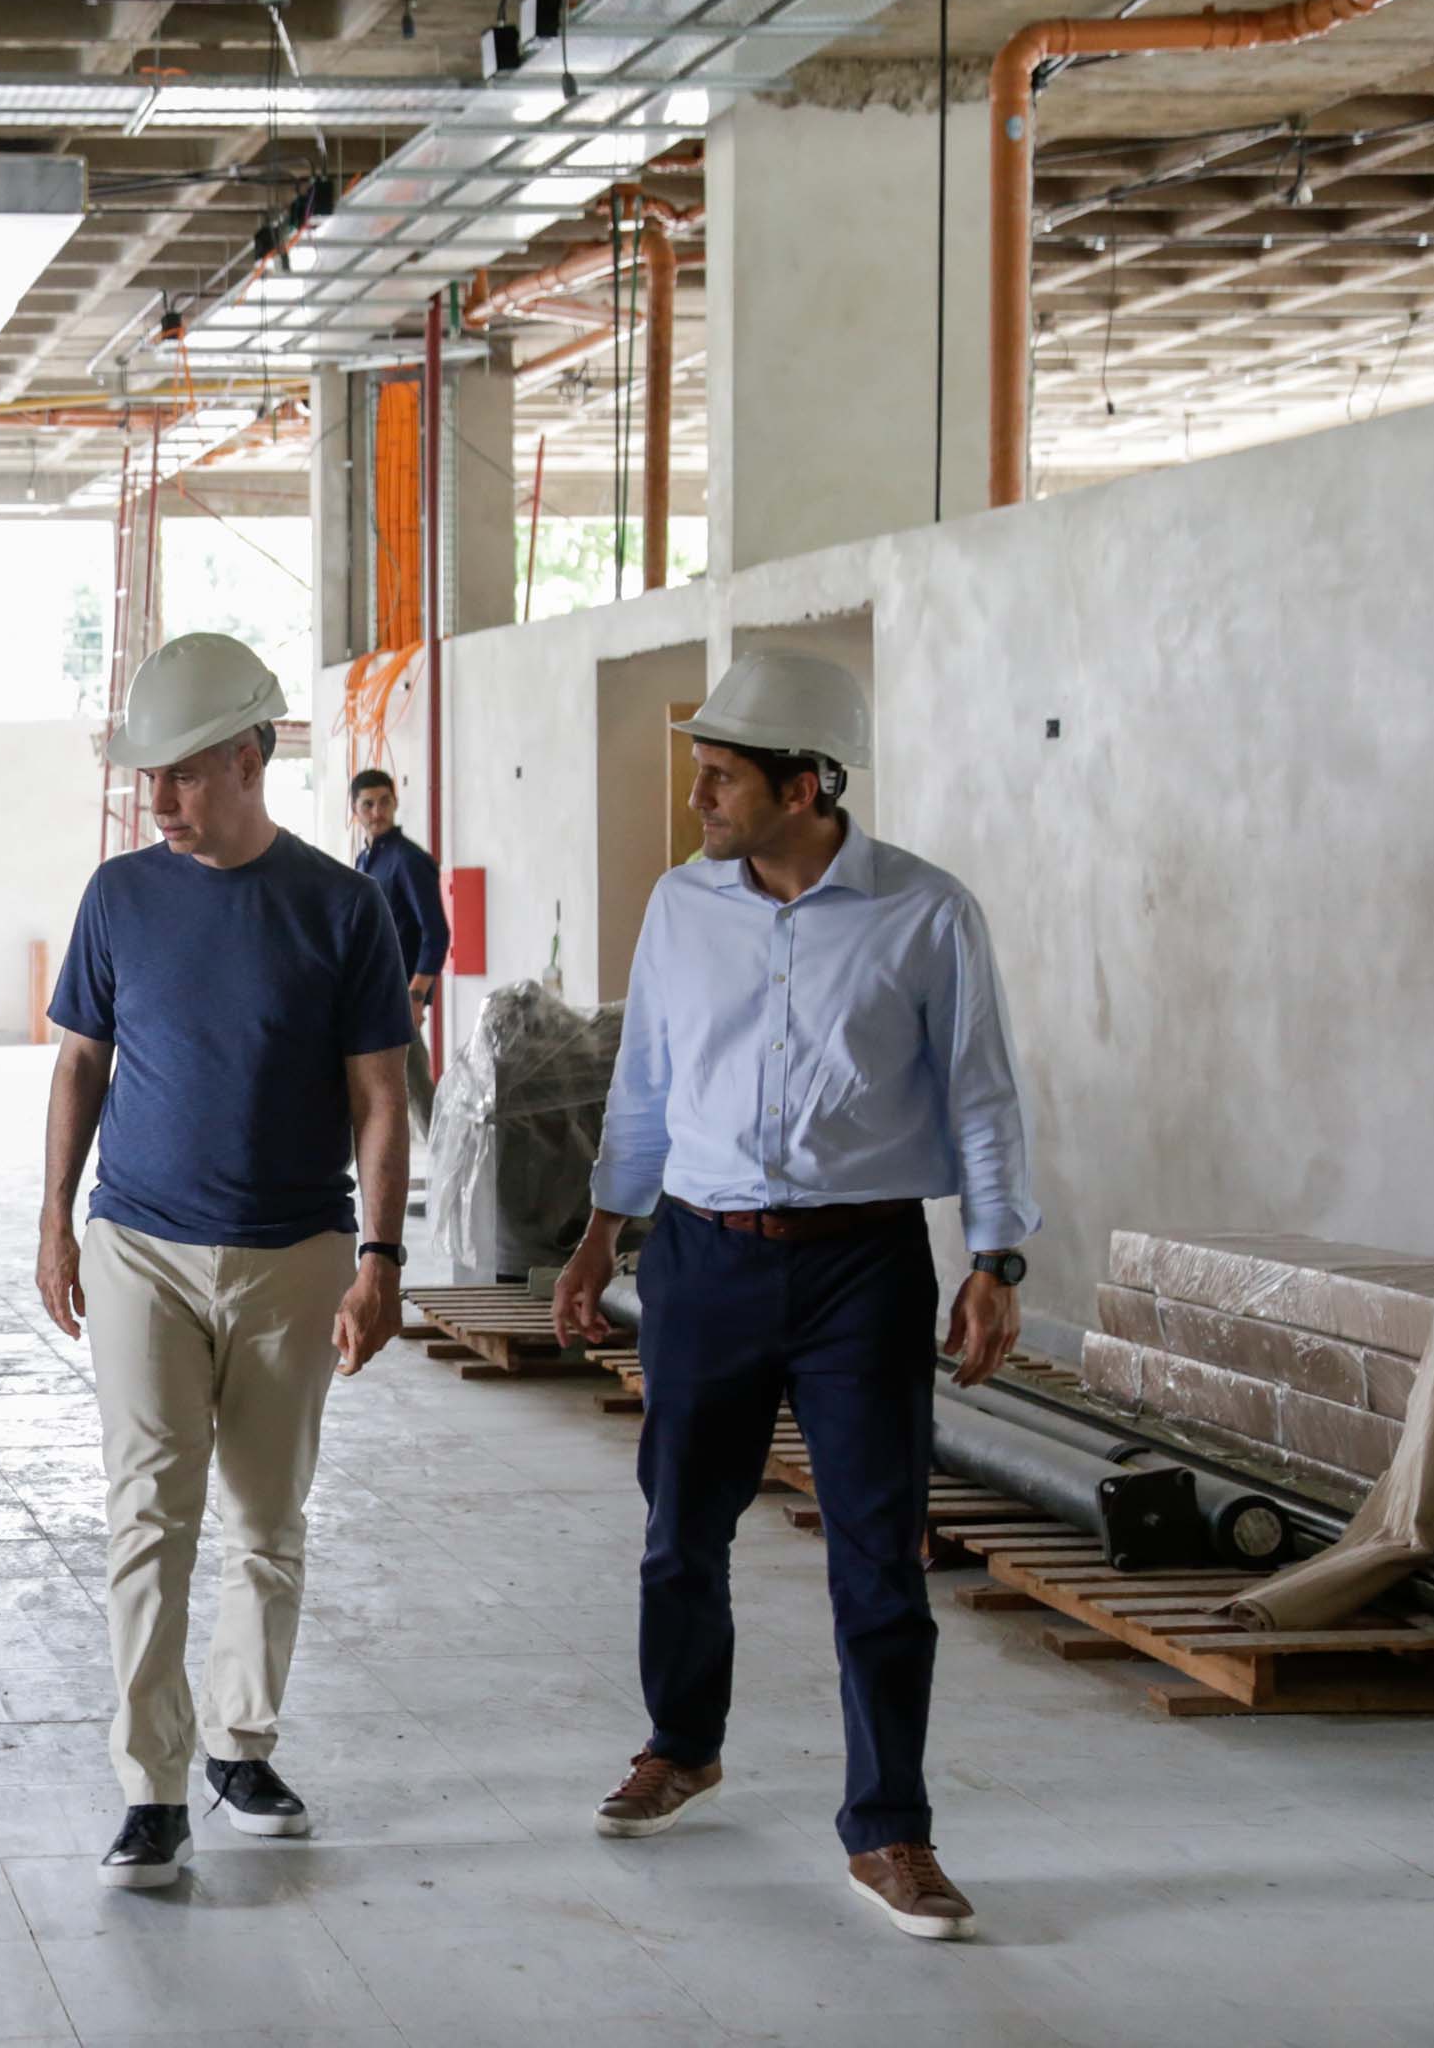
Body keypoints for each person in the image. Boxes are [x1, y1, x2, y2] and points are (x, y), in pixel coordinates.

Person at [547, 649, 1036, 1943]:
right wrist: (600, 1238)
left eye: (722, 773)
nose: (699, 792)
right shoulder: (679, 908)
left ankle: (891, 1830)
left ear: (808, 782)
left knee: (879, 1559)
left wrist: (995, 1261)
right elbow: (645, 1085)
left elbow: (984, 1097)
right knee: (679, 1531)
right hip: (702, 1259)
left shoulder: (928, 916)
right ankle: (681, 1745)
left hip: (859, 1272)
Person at [36, 634, 414, 1891]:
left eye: (185, 776)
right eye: (151, 778)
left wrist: (380, 1254)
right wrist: (54, 1218)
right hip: (138, 1240)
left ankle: (240, 1745)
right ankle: (149, 1786)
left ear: (252, 757)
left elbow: (379, 1094)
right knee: (149, 1515)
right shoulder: (121, 897)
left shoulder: (340, 906)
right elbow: (80, 1063)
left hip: (295, 1252)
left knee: (265, 1517)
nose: (159, 803)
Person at [348, 766, 448, 1131]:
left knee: (417, 1090)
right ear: (355, 810)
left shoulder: (407, 860)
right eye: (368, 804)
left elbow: (435, 932)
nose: (377, 812)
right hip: (373, 992)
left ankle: (453, 1164)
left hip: (401, 994)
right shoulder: (367, 860)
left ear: (396, 803)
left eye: (385, 802)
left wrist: (416, 995)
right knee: (390, 1087)